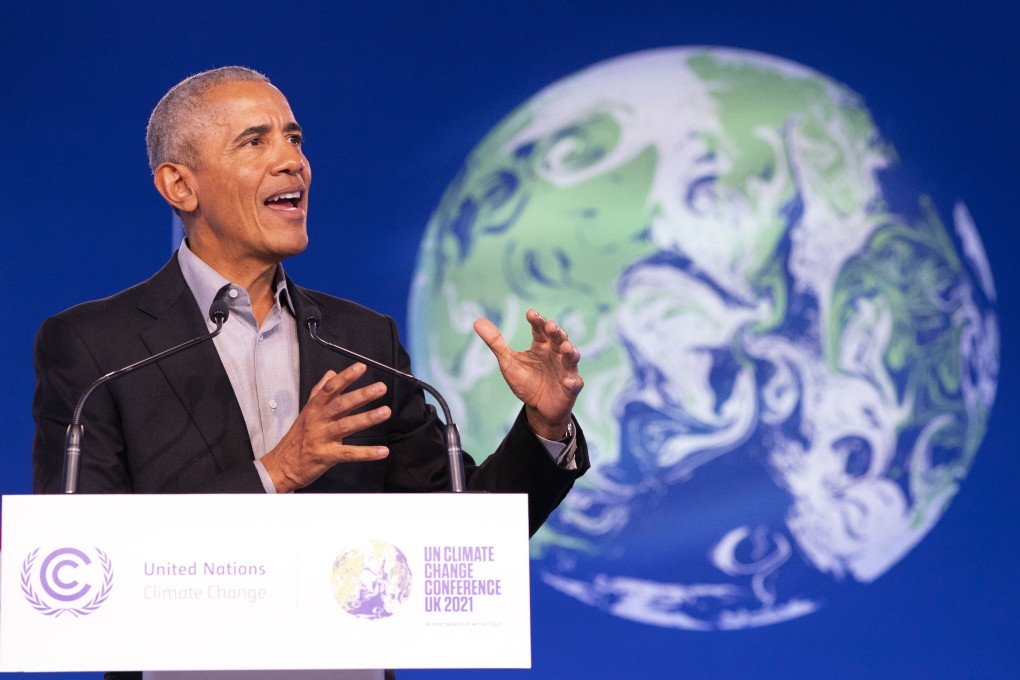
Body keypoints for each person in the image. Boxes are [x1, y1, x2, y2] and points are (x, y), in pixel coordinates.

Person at [31, 67, 589, 678]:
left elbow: (462, 539)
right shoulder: (96, 347)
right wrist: (274, 473)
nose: (292, 161)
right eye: (255, 141)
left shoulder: (361, 341)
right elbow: (83, 562)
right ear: (179, 186)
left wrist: (544, 424)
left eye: (294, 139)